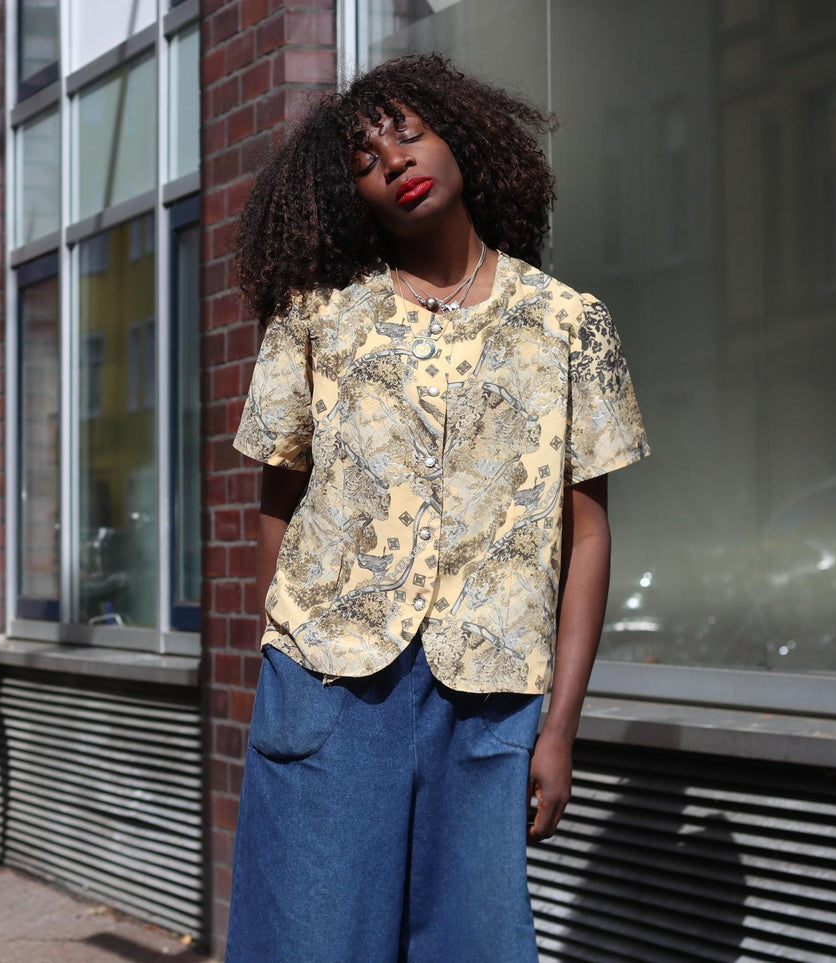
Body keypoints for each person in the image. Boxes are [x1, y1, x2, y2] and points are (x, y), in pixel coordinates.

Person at [225, 54, 650, 962]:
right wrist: (282, 644)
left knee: (475, 946)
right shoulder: (316, 318)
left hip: (488, 694)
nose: (394, 162)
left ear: (462, 135)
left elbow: (587, 534)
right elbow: (278, 494)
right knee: (311, 942)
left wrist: (560, 727)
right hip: (329, 688)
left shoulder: (569, 324)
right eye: (365, 159)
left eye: (407, 133)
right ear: (352, 196)